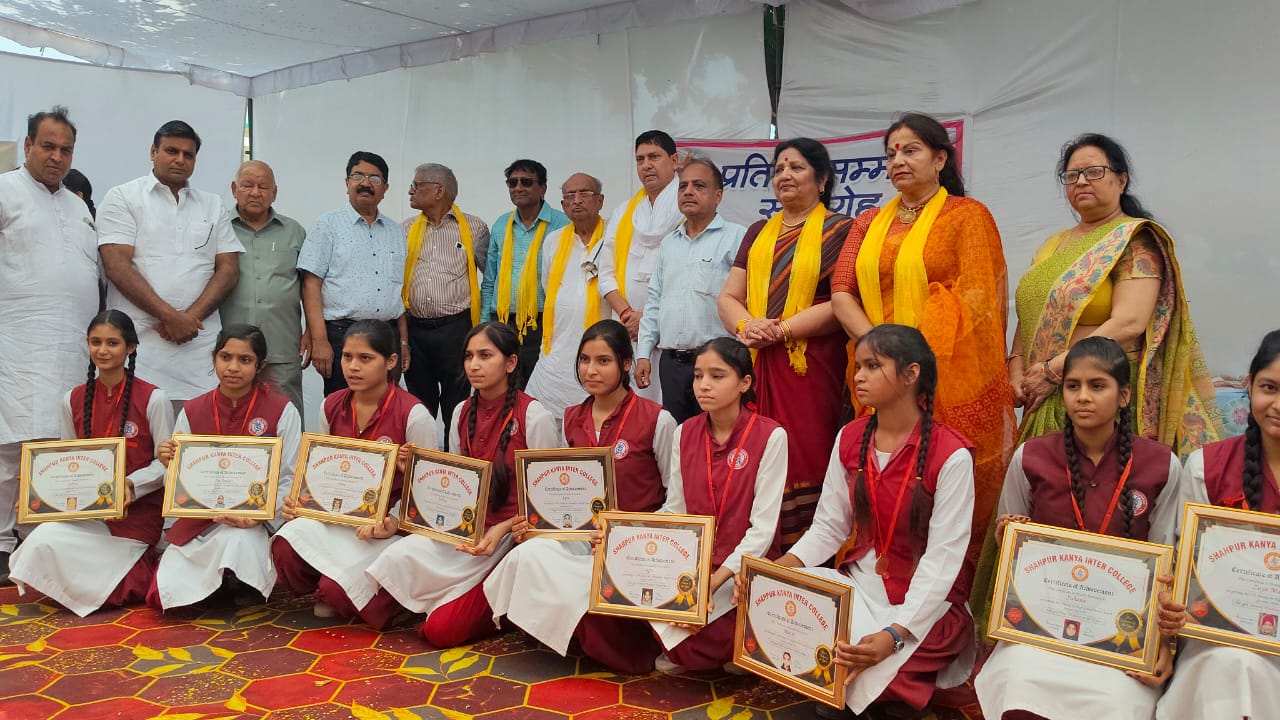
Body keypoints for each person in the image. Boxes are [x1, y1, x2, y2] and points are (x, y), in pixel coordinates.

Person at [830, 112, 1015, 588]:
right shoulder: (868, 221)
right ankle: (880, 577)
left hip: (945, 375)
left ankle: (944, 594)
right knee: (882, 477)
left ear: (940, 159)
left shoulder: (967, 215)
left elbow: (977, 299)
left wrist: (911, 361)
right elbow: (842, 292)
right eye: (891, 153)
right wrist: (879, 355)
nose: (898, 160)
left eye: (911, 150)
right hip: (876, 371)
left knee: (937, 483)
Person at [756, 325, 975, 717]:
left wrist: (894, 635)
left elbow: (943, 560)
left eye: (873, 366)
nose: (858, 376)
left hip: (923, 600)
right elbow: (829, 528)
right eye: (858, 366)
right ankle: (872, 687)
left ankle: (879, 685)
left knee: (867, 662)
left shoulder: (951, 455)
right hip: (859, 586)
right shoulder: (850, 436)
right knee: (796, 609)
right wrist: (776, 572)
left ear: (911, 374)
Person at [976, 337, 1185, 720]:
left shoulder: (1161, 465)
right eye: (1073, 386)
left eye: (1097, 385)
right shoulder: (1031, 456)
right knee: (1018, 679)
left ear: (1124, 396)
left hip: (1122, 635)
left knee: (1118, 700)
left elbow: (1165, 566)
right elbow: (1011, 545)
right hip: (1042, 627)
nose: (1083, 397)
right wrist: (1008, 537)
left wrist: (1162, 646)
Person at [1009, 133, 1221, 455]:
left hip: (1102, 393)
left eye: (1094, 172)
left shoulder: (1133, 239)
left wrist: (1055, 370)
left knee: (1103, 480)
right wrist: (1016, 372)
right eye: (1072, 175)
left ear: (1121, 180)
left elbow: (1129, 323)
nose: (1082, 181)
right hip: (1043, 393)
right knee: (1042, 479)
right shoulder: (1052, 245)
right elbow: (1030, 314)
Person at [486, 319, 675, 674]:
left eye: (603, 361)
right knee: (528, 554)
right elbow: (563, 492)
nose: (591, 370)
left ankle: (617, 643)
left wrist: (629, 529)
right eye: (585, 360)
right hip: (581, 538)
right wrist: (538, 523)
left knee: (581, 588)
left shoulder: (657, 420)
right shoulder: (572, 417)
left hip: (634, 544)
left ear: (626, 363)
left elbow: (676, 500)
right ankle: (569, 631)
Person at [367, 321, 557, 646]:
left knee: (441, 631)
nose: (474, 365)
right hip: (465, 532)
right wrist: (416, 469)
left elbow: (548, 504)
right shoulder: (461, 412)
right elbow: (456, 487)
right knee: (393, 564)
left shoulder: (534, 416)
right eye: (469, 356)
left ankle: (506, 606)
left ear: (511, 363)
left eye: (485, 355)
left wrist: (502, 529)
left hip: (510, 540)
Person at [717, 137, 855, 548]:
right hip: (757, 361)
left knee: (806, 453)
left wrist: (782, 330)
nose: (785, 175)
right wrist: (748, 326)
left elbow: (842, 301)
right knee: (757, 454)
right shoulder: (759, 232)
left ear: (823, 179)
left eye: (796, 167)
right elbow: (728, 297)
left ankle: (804, 555)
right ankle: (758, 548)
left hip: (811, 365)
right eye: (778, 169)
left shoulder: (842, 230)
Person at [270, 320, 438, 627]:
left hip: (387, 531)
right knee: (285, 543)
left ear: (390, 361)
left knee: (337, 594)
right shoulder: (331, 405)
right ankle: (329, 584)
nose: (353, 367)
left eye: (365, 358)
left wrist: (392, 523)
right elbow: (321, 472)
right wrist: (303, 501)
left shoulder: (413, 415)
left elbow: (427, 495)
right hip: (339, 518)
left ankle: (371, 595)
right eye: (347, 357)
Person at [9, 311, 174, 615]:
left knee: (119, 580)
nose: (103, 350)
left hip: (134, 518)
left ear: (131, 348)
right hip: (87, 513)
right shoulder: (72, 399)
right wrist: (38, 493)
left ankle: (134, 568)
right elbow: (65, 462)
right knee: (41, 539)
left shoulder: (154, 398)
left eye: (112, 343)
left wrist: (130, 484)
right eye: (95, 342)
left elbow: (166, 464)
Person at [1156, 329, 1280, 720]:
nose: (1278, 405)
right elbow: (1184, 568)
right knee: (1235, 664)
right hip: (1217, 637)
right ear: (1249, 385)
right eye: (1269, 388)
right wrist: (1172, 602)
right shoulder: (1206, 468)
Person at [0, 106, 101, 580]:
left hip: (71, 345)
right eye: (48, 146)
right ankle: (2, 543)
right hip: (16, 340)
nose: (57, 157)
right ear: (27, 146)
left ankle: (42, 538)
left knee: (59, 442)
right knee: (10, 445)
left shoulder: (78, 207)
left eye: (66, 149)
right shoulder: (5, 191)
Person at [648, 337, 787, 674]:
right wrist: (627, 532)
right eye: (698, 376)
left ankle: (736, 642)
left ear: (744, 383)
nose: (703, 385)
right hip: (694, 564)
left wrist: (714, 582)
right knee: (645, 596)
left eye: (717, 376)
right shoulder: (684, 432)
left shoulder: (771, 436)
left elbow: (763, 531)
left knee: (702, 635)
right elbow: (675, 510)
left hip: (741, 569)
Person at [148, 324, 302, 610]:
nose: (233, 367)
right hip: (201, 520)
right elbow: (179, 483)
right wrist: (171, 464)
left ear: (260, 365)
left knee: (239, 541)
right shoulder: (193, 411)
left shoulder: (282, 410)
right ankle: (218, 586)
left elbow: (289, 478)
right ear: (214, 358)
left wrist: (258, 516)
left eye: (245, 360)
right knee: (165, 591)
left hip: (252, 521)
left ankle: (235, 583)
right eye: (225, 357)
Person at [98, 120, 244, 412]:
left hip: (198, 346)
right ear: (153, 152)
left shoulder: (212, 204)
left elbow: (229, 269)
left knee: (197, 430)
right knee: (139, 429)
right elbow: (116, 265)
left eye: (188, 154)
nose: (180, 159)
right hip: (141, 344)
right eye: (171, 151)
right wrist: (170, 317)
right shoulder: (123, 197)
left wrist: (188, 319)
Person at [636, 156, 744, 421]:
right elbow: (654, 301)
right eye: (683, 186)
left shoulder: (737, 237)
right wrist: (643, 354)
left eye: (699, 185)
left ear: (718, 196)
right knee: (679, 436)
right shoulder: (669, 244)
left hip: (720, 363)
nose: (688, 191)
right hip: (672, 365)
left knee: (719, 434)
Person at [298, 151, 408, 396]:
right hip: (342, 335)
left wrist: (403, 341)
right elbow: (310, 285)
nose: (365, 183)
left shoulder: (396, 232)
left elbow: (397, 290)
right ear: (347, 182)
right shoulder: (327, 225)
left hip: (387, 336)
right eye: (358, 176)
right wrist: (319, 340)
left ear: (385, 188)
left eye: (375, 178)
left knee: (387, 407)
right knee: (344, 407)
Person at [401, 163, 490, 436]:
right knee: (419, 408)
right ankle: (421, 459)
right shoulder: (406, 229)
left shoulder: (474, 228)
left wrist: (483, 329)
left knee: (457, 406)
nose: (410, 191)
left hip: (456, 330)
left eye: (416, 185)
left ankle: (455, 459)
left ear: (439, 191)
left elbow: (491, 277)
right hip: (415, 330)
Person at [600, 130, 686, 403]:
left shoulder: (689, 208)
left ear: (674, 161)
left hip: (674, 334)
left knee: (669, 411)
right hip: (630, 332)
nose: (646, 165)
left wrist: (648, 320)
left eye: (654, 157)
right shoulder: (624, 213)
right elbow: (605, 274)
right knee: (633, 408)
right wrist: (627, 315)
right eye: (640, 159)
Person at [219, 160, 308, 412]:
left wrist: (313, 331)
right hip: (231, 351)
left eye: (263, 186)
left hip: (282, 346)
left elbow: (310, 287)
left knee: (286, 416)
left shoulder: (294, 231)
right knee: (231, 417)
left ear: (274, 193)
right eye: (247, 185)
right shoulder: (219, 228)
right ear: (234, 189)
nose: (255, 192)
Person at [525, 173, 610, 427]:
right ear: (562, 205)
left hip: (602, 350)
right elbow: (547, 285)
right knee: (542, 422)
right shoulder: (553, 241)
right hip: (557, 353)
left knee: (597, 425)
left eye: (585, 194)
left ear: (600, 201)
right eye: (570, 196)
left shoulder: (614, 238)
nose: (577, 200)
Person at [480, 159, 569, 387]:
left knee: (542, 388)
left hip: (543, 323)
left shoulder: (562, 224)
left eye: (526, 182)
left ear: (543, 188)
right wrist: (484, 324)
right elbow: (490, 279)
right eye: (512, 183)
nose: (518, 188)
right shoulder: (502, 224)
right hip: (502, 322)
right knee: (503, 388)